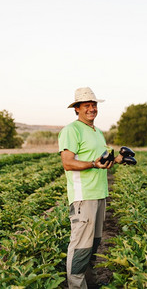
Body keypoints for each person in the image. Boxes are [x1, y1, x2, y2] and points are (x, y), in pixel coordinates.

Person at [58, 87, 120, 288]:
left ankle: (90, 284)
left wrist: (117, 159)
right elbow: (68, 163)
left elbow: (100, 159)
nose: (92, 109)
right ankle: (76, 286)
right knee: (80, 248)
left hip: (99, 194)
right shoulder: (71, 130)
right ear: (77, 108)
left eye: (94, 105)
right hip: (83, 197)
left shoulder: (98, 132)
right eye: (87, 105)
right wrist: (93, 164)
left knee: (92, 246)